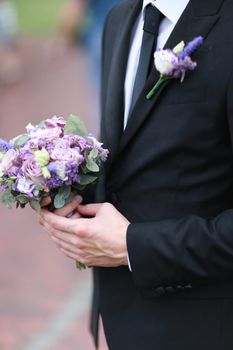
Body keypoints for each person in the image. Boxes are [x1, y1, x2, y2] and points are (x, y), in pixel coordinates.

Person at [39, 0, 233, 349]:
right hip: (120, 320)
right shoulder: (120, 18)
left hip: (205, 326)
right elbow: (138, 156)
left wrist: (132, 247)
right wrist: (65, 186)